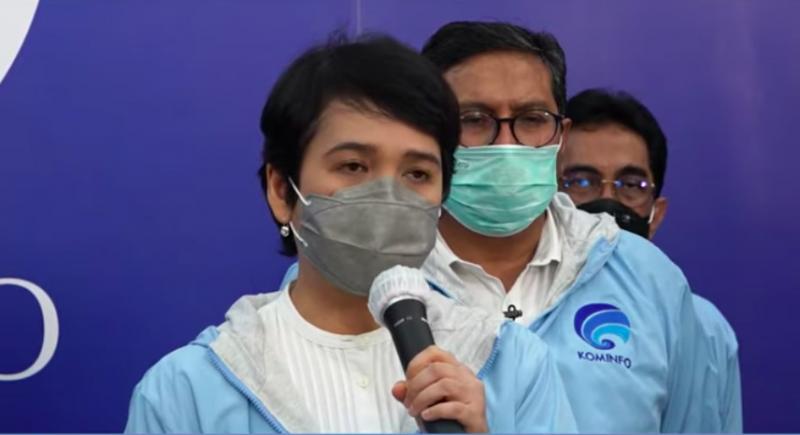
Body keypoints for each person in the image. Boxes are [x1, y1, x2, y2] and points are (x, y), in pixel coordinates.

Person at [124, 35, 576, 433]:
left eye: (418, 173)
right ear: (282, 191)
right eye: (354, 166)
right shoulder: (188, 389)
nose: (389, 196)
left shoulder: (512, 361)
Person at [418, 21, 707, 432]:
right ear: (430, 130)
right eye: (475, 118)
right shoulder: (379, 278)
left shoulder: (650, 280)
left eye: (532, 119)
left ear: (561, 135)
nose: (507, 145)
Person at [559, 88, 742, 432]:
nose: (608, 202)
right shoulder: (516, 299)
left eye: (631, 185)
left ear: (656, 214)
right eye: (582, 181)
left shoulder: (702, 326)